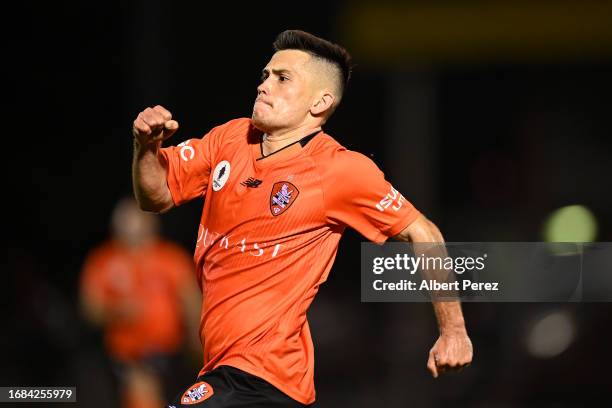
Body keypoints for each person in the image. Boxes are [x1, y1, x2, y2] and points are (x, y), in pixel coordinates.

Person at [131, 30, 473, 407]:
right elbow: (157, 195)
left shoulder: (339, 169)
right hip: (231, 370)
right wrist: (146, 148)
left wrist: (453, 330)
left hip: (261, 375)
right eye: (265, 75)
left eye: (283, 78)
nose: (264, 86)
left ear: (320, 102)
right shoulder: (230, 138)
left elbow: (423, 231)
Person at [80, 197, 201, 408]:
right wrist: (116, 312)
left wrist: (198, 344)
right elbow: (90, 309)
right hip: (128, 359)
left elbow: (192, 303)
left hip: (172, 355)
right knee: (141, 394)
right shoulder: (103, 260)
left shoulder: (171, 258)